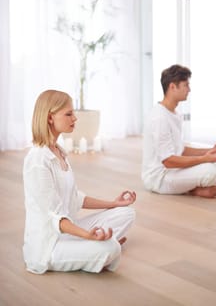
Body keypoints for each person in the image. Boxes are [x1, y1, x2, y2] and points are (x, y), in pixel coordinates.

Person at [23, 89, 136, 274]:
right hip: (50, 245)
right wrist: (87, 235)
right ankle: (99, 248)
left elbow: (76, 197)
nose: (74, 118)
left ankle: (91, 249)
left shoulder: (59, 152)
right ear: (50, 118)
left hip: (70, 231)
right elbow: (54, 218)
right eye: (68, 114)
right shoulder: (37, 160)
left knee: (126, 213)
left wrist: (114, 203)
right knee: (112, 248)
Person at [142, 64, 216, 199]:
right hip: (160, 178)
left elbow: (179, 149)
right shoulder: (159, 117)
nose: (189, 89)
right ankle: (201, 188)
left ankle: (210, 184)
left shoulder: (174, 114)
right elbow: (168, 161)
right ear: (172, 87)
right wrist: (204, 159)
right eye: (186, 85)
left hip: (174, 170)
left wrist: (211, 151)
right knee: (210, 171)